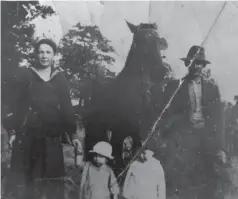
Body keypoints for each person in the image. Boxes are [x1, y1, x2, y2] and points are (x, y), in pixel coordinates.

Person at [5, 38, 80, 199]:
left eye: (48, 52)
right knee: (26, 185)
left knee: (51, 185)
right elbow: (13, 106)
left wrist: (73, 135)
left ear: (54, 56)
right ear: (35, 54)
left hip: (51, 139)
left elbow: (67, 108)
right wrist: (12, 131)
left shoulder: (60, 79)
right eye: (40, 52)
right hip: (27, 138)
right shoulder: (26, 75)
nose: (44, 56)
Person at [159, 45, 227, 199]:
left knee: (211, 181)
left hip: (206, 140)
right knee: (179, 180)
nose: (197, 67)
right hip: (183, 139)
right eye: (194, 63)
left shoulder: (212, 88)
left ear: (204, 66)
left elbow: (218, 119)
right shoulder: (175, 87)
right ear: (187, 64)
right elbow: (166, 115)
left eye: (200, 64)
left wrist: (220, 147)